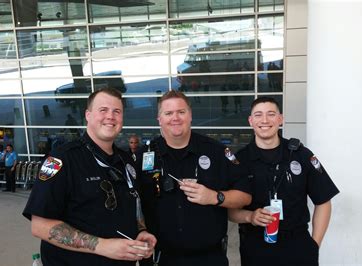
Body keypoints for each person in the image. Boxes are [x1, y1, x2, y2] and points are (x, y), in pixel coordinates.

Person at [23, 88, 157, 266]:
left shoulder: (126, 162)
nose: (110, 116)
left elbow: (133, 205)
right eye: (103, 110)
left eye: (117, 111)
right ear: (88, 115)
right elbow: (40, 226)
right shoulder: (60, 160)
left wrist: (140, 231)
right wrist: (102, 246)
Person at [137, 90, 251, 266]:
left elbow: (245, 195)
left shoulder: (217, 152)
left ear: (190, 115)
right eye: (168, 113)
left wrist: (215, 197)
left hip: (209, 258)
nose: (175, 118)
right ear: (159, 119)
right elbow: (132, 204)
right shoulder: (144, 156)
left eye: (181, 112)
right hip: (160, 258)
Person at [228, 97, 340, 266]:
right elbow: (230, 211)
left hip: (298, 246)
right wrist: (250, 216)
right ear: (251, 121)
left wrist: (314, 245)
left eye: (271, 114)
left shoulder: (301, 155)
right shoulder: (239, 161)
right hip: (256, 247)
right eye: (258, 115)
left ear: (280, 119)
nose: (264, 120)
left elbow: (323, 200)